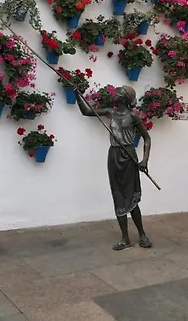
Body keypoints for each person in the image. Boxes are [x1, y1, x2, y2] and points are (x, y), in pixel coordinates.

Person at [75, 85, 152, 250]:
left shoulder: (133, 116)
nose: (114, 94)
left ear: (124, 98)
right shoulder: (110, 112)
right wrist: (76, 93)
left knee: (131, 197)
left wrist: (145, 160)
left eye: (118, 92)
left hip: (129, 156)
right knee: (118, 197)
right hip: (114, 156)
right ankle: (125, 238)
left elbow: (147, 138)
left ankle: (142, 234)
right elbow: (86, 111)